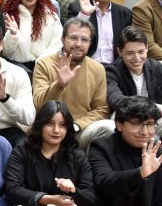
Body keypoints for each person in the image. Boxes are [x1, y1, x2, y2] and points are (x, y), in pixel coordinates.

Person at [32, 18, 111, 150]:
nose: (78, 44)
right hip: (48, 131)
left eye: (84, 40)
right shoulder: (44, 64)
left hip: (79, 130)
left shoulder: (97, 69)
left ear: (90, 43)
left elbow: (101, 110)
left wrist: (76, 126)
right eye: (73, 38)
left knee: (109, 127)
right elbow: (39, 104)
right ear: (63, 39)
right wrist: (59, 85)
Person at [66, 0, 132, 64]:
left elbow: (127, 44)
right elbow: (70, 38)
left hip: (114, 67)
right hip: (86, 65)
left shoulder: (124, 13)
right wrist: (84, 14)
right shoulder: (77, 8)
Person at [1, 0, 63, 72]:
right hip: (17, 67)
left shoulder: (51, 15)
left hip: (44, 64)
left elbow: (57, 43)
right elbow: (5, 52)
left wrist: (41, 63)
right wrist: (13, 35)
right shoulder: (10, 16)